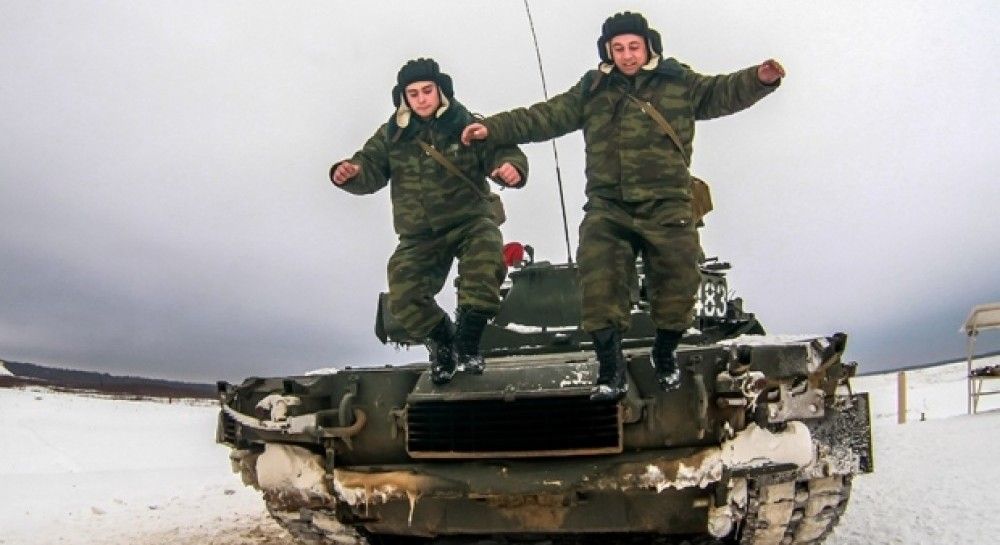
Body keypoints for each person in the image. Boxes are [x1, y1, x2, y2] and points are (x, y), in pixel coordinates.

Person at [461, 12, 784, 401]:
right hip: (608, 206)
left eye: (634, 47)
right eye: (618, 48)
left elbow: (723, 91)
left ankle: (664, 351)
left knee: (679, 284)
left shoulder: (678, 82)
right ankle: (610, 370)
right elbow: (545, 116)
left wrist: (760, 79)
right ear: (608, 51)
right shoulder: (593, 90)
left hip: (667, 203)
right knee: (599, 280)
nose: (627, 55)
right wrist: (493, 128)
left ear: (648, 46)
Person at [331, 58, 528, 385]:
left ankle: (467, 342)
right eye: (413, 93)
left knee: (485, 263)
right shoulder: (392, 135)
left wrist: (510, 168)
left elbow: (501, 151)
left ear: (441, 91)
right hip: (420, 234)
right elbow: (369, 167)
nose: (422, 99)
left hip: (470, 221)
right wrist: (349, 173)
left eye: (427, 91)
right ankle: (442, 342)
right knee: (403, 291)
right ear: (403, 98)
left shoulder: (465, 125)